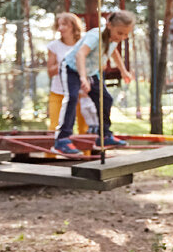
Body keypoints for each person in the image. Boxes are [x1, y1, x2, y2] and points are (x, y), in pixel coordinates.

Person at [53, 10, 135, 155]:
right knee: (72, 97)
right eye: (120, 33)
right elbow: (80, 54)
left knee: (105, 99)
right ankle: (62, 139)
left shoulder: (113, 39)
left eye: (126, 34)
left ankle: (104, 135)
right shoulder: (95, 36)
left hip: (91, 71)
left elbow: (113, 52)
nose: (122, 37)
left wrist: (123, 71)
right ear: (109, 25)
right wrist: (83, 78)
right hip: (71, 68)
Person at [46, 13, 87, 134]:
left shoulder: (84, 44)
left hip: (80, 92)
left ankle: (86, 153)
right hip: (58, 92)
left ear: (73, 26)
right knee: (54, 128)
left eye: (64, 24)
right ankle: (52, 152)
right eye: (59, 25)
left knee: (84, 129)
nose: (60, 28)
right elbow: (50, 72)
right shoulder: (54, 46)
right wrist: (65, 62)